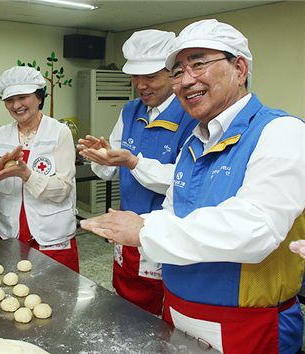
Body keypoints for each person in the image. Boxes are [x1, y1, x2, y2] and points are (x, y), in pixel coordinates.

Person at [81, 19, 305, 353]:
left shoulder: (281, 132)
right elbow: (173, 211)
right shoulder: (196, 142)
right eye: (177, 71)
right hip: (181, 314)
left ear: (239, 67)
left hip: (248, 324)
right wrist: (126, 227)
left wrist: (143, 230)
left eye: (198, 64)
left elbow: (256, 229)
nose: (186, 80)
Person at [77, 30, 196, 316]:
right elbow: (109, 170)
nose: (141, 86)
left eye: (151, 77)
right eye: (135, 77)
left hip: (162, 233)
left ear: (173, 73)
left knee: (159, 313)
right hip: (126, 229)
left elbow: (186, 183)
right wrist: (103, 157)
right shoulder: (131, 110)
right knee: (124, 301)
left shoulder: (191, 114)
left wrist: (134, 163)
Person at [0, 66, 79, 272]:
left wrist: (27, 175)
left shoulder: (59, 132)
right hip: (12, 234)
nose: (16, 105)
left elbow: (63, 188)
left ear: (39, 97)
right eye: (9, 100)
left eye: (22, 97)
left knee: (58, 297)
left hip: (52, 237)